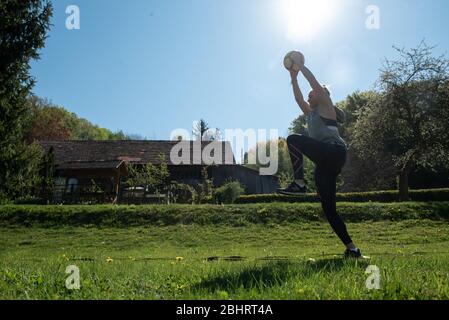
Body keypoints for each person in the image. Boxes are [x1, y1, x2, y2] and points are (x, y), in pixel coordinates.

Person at [277, 62, 362, 258]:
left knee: (292, 139)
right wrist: (293, 78)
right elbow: (298, 98)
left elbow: (314, 83)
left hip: (334, 152)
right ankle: (352, 249)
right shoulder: (311, 114)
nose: (309, 96)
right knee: (329, 209)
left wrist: (301, 67)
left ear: (321, 95)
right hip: (325, 164)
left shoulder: (326, 107)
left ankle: (299, 183)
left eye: (312, 94)